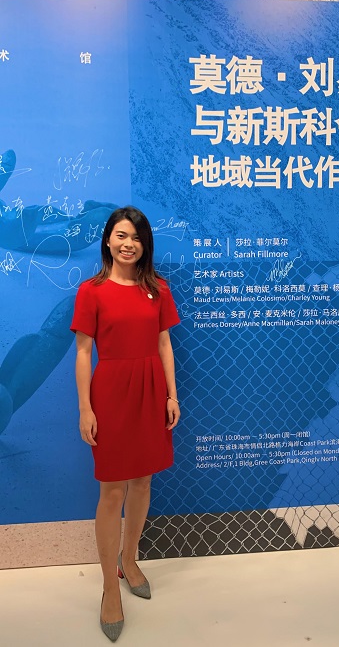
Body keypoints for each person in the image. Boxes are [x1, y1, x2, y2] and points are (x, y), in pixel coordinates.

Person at [70, 206, 181, 642]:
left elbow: (164, 342)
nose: (127, 243)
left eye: (135, 237)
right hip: (111, 394)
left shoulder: (158, 289)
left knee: (143, 483)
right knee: (112, 488)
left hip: (151, 392)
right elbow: (83, 352)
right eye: (120, 235)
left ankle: (130, 559)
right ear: (108, 241)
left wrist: (172, 395)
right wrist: (85, 408)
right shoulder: (92, 291)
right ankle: (107, 587)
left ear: (144, 244)